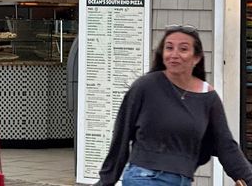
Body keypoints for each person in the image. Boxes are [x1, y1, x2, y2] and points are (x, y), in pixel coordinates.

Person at [97, 25, 252, 186]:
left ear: (196, 58)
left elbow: (226, 146)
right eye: (169, 48)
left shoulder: (208, 97)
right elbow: (121, 135)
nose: (174, 54)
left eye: (183, 49)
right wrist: (106, 181)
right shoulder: (145, 87)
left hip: (182, 180)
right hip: (145, 177)